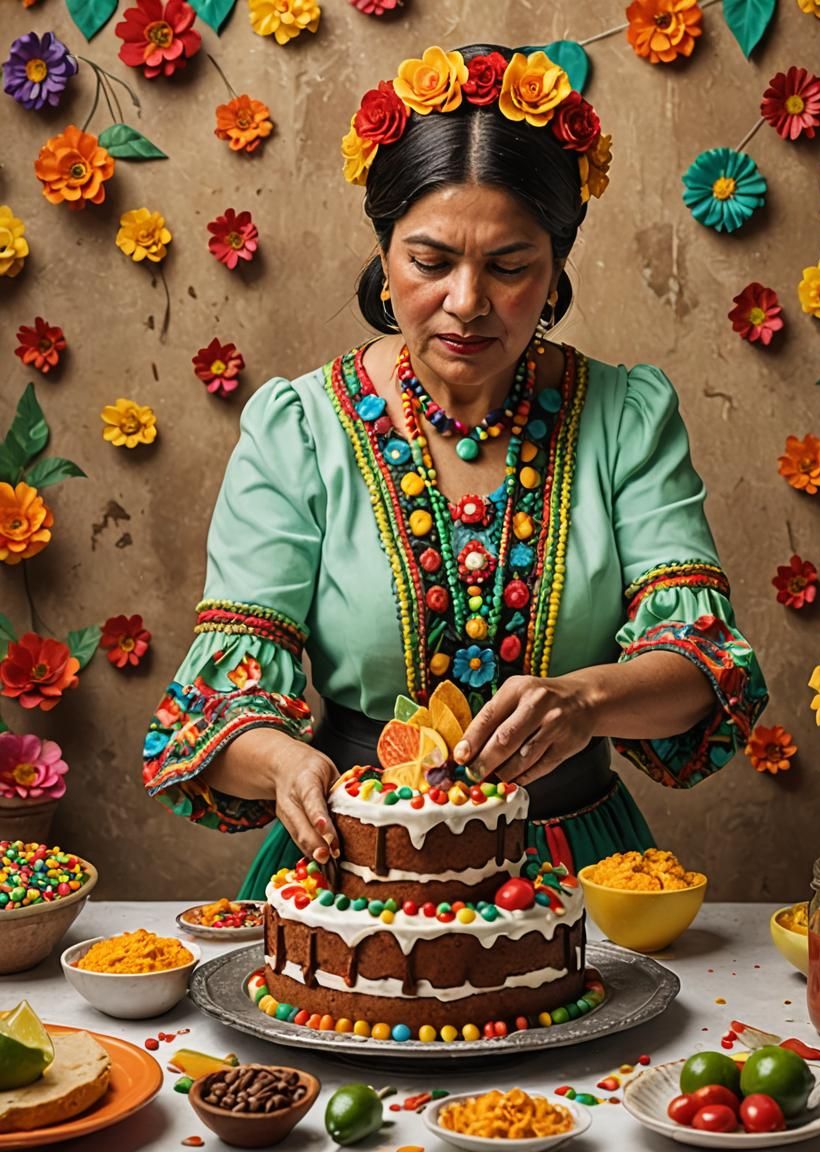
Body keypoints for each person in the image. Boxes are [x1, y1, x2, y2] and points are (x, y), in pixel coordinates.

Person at [142, 44, 767, 899]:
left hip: (579, 880)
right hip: (356, 872)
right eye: (430, 261)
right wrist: (286, 762)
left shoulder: (625, 417)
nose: (467, 301)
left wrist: (584, 702)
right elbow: (224, 697)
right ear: (385, 256)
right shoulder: (301, 427)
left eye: (510, 266)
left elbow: (701, 667)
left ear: (554, 273)